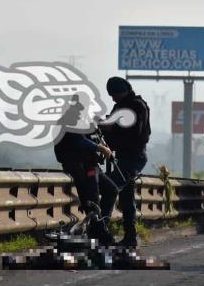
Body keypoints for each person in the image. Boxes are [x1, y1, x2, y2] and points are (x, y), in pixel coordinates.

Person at [54, 96, 117, 244]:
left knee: (111, 190)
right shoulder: (67, 120)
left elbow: (91, 136)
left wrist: (101, 136)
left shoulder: (85, 120)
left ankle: (100, 227)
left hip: (91, 165)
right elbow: (79, 141)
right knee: (92, 201)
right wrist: (100, 148)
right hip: (79, 166)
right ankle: (99, 234)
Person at [99, 76, 150, 247]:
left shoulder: (137, 106)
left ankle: (101, 232)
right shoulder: (121, 106)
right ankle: (130, 238)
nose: (113, 98)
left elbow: (135, 134)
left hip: (134, 157)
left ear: (123, 91)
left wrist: (111, 128)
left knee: (110, 188)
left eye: (114, 94)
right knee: (127, 199)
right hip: (123, 157)